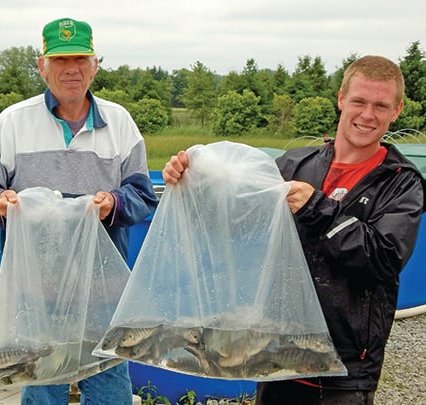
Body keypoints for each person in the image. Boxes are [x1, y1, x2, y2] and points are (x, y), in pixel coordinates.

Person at [162, 55, 425, 405]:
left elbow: (383, 258)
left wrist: (317, 208)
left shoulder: (401, 183)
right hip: (276, 351)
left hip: (345, 370)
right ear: (341, 99)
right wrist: (193, 184)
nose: (367, 115)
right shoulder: (294, 164)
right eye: (359, 101)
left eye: (381, 106)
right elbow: (237, 225)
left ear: (397, 110)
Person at [0, 17, 157, 405]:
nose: (72, 69)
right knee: (42, 391)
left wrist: (112, 205)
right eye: (60, 60)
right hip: (37, 295)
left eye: (81, 59)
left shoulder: (120, 123)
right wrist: (0, 202)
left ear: (95, 64)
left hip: (102, 294)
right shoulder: (13, 122)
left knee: (110, 394)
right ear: (42, 66)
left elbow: (142, 195)